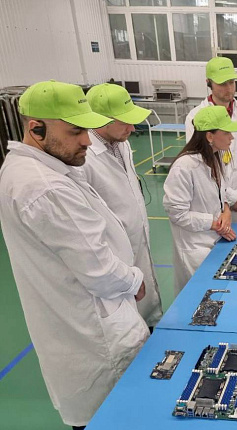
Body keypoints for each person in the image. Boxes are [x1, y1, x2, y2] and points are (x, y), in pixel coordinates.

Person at [0, 80, 149, 428]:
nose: (86, 140)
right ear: (36, 128)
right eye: (75, 131)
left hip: (84, 327)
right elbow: (100, 272)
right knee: (114, 417)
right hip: (96, 338)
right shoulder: (46, 187)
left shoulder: (33, 169)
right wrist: (134, 279)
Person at [84, 83, 163, 330]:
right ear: (101, 120)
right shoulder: (85, 158)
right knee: (126, 319)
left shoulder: (123, 143)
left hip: (138, 239)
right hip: (115, 252)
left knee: (147, 307)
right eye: (125, 122)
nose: (132, 128)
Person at [164, 105, 237, 295]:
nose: (231, 137)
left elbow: (221, 192)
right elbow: (177, 214)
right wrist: (214, 223)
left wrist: (226, 211)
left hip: (215, 241)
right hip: (194, 248)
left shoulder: (214, 158)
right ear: (209, 136)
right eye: (226, 132)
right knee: (199, 299)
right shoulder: (184, 167)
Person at [185, 57, 237, 224]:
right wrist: (230, 196)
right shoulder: (195, 117)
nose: (229, 88)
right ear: (208, 82)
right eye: (222, 84)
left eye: (231, 82)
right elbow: (199, 163)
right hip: (215, 201)